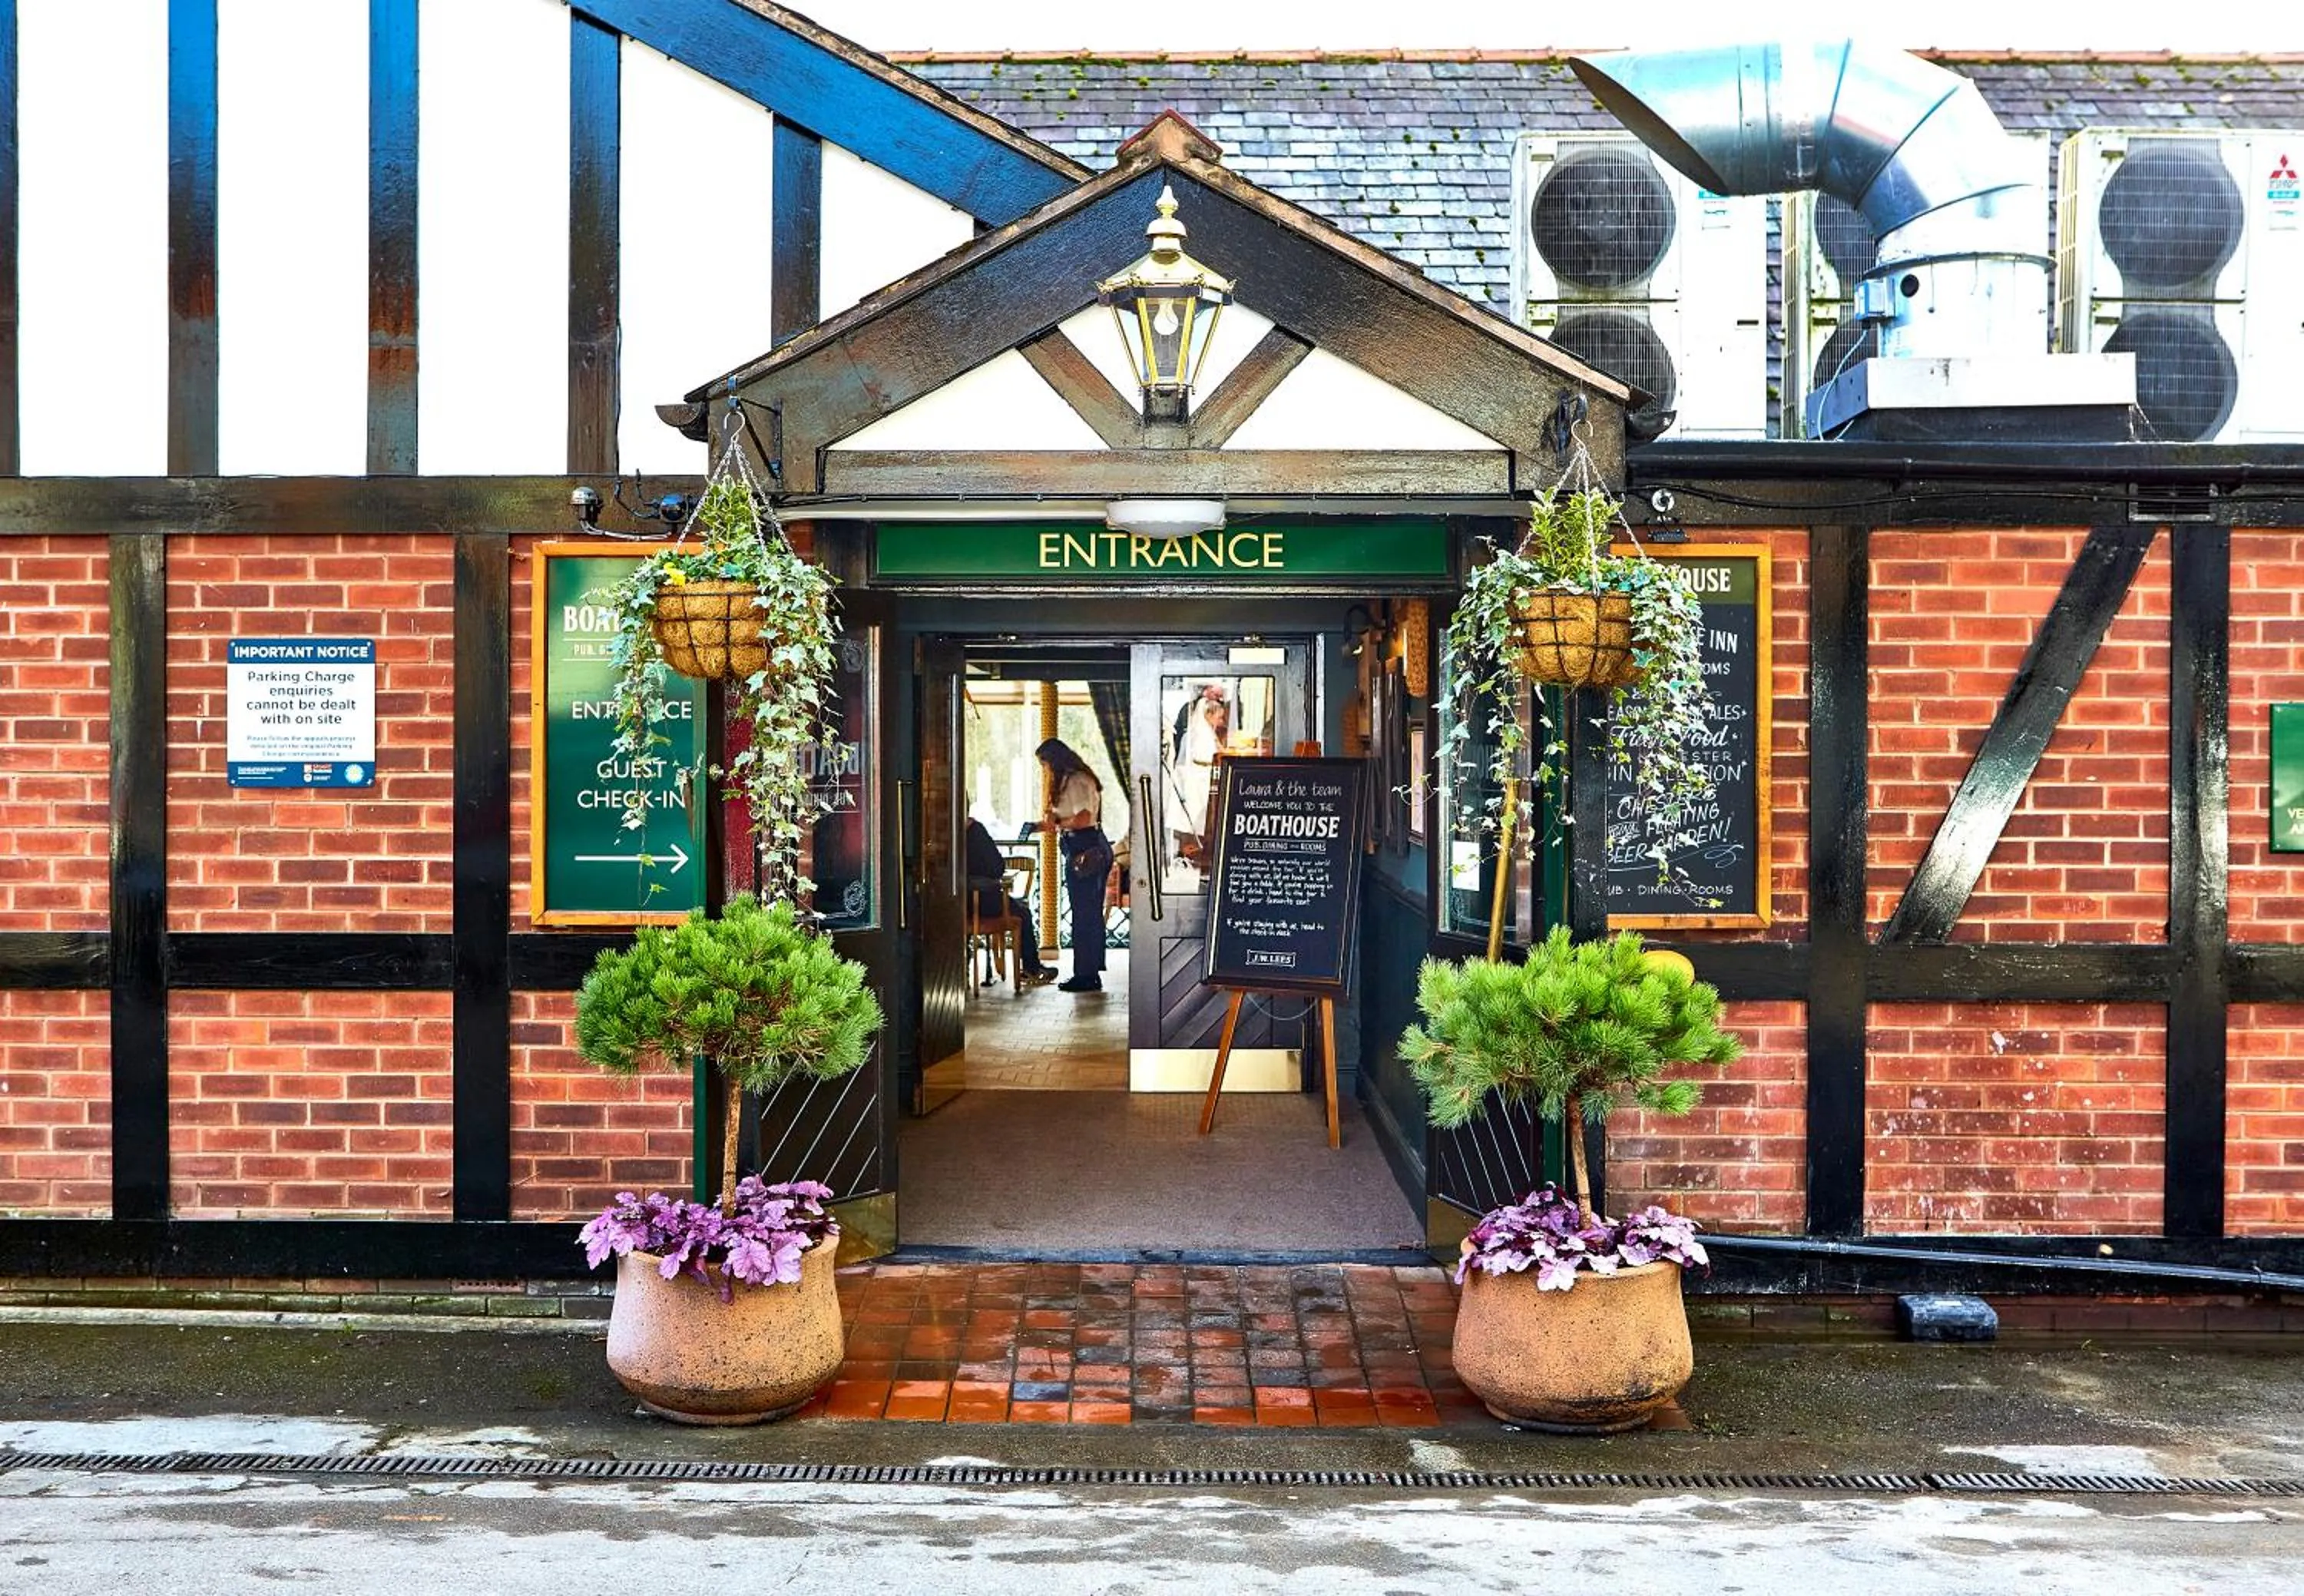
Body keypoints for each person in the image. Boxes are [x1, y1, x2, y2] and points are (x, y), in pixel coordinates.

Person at [1035, 737, 1111, 993]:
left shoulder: (1076, 781)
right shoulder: (1073, 779)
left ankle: (1086, 974)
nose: (1045, 771)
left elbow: (1083, 818)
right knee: (1086, 913)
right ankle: (1088, 971)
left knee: (1085, 914)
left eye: (1045, 765)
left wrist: (1056, 825)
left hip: (1085, 848)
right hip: (1082, 846)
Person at [965, 816, 1052, 986]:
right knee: (1023, 913)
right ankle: (1031, 969)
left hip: (961, 903)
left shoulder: (946, 834)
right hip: (985, 901)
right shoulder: (975, 831)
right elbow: (997, 867)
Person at [1164, 682, 1229, 871]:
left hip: (1202, 778)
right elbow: (1203, 758)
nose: (1221, 722)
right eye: (1219, 718)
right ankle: (1191, 853)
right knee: (1196, 819)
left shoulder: (1208, 733)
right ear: (1209, 715)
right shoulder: (1197, 734)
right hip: (1196, 781)